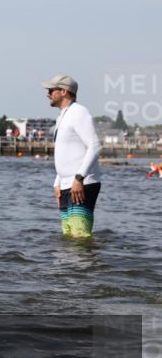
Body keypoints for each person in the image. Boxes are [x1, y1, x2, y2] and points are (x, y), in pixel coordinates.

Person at [42, 75, 102, 238]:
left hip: (82, 183)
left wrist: (79, 178)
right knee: (68, 235)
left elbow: (95, 145)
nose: (47, 93)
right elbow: (65, 153)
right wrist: (57, 183)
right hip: (65, 185)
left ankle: (86, 264)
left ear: (63, 91)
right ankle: (69, 265)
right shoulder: (62, 116)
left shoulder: (79, 112)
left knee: (80, 236)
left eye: (51, 90)